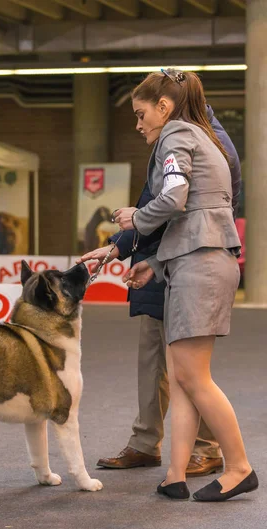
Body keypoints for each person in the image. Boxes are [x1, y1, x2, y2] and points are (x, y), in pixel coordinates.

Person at [79, 69, 258, 501]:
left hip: (201, 267)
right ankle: (174, 474)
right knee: (181, 379)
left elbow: (174, 199)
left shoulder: (175, 136)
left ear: (164, 106)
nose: (138, 125)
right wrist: (154, 264)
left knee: (195, 379)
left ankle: (239, 467)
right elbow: (195, 214)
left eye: (141, 115)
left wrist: (134, 219)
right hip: (192, 263)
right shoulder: (199, 135)